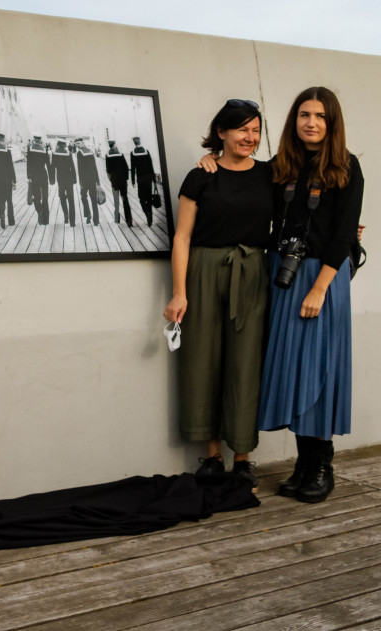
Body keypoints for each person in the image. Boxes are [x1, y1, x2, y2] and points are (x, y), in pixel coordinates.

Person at [256, 87, 364, 503]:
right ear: (294, 120)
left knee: (319, 369)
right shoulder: (280, 166)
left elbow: (343, 234)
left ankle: (321, 466)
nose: (311, 123)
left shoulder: (346, 167)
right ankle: (303, 464)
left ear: (332, 122)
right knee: (293, 369)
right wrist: (210, 161)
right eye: (304, 114)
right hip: (285, 276)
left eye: (320, 116)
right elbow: (244, 187)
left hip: (323, 277)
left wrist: (320, 288)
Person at [163, 99, 273, 491]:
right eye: (242, 129)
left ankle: (242, 458)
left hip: (252, 272)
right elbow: (182, 237)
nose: (250, 137)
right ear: (222, 132)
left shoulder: (271, 175)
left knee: (246, 362)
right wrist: (179, 293)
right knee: (202, 359)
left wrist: (346, 230)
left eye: (256, 130)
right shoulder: (200, 177)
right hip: (204, 270)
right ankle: (212, 457)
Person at [130, 136, 157, 227]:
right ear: (140, 142)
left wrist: (133, 181)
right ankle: (150, 220)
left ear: (134, 143)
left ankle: (146, 213)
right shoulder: (146, 151)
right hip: (148, 178)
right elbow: (151, 166)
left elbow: (133, 168)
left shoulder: (133, 153)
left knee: (142, 199)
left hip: (140, 179)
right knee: (149, 198)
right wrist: (154, 179)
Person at [26, 133, 52, 225]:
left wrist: (28, 176)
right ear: (40, 140)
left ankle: (39, 210)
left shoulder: (30, 149)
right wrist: (51, 178)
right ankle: (46, 220)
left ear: (34, 140)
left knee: (36, 197)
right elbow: (48, 165)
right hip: (43, 175)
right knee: (45, 197)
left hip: (34, 176)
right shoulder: (44, 150)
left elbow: (28, 164)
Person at [105, 140, 132, 226]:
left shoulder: (107, 155)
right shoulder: (120, 154)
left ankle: (117, 218)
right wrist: (126, 178)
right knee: (125, 198)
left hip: (114, 181)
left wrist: (111, 180)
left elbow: (108, 169)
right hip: (122, 180)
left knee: (116, 199)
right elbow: (126, 167)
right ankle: (129, 219)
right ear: (114, 145)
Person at [75, 137, 101, 225]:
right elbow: (94, 167)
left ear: (83, 143)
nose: (77, 145)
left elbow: (80, 168)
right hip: (93, 179)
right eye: (76, 144)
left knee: (83, 197)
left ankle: (88, 214)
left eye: (78, 143)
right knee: (94, 199)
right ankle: (96, 220)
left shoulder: (79, 153)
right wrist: (98, 181)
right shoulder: (90, 151)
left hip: (84, 180)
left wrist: (80, 182)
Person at [51, 139, 77, 227]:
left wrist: (52, 180)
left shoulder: (54, 154)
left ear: (58, 144)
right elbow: (72, 166)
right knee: (71, 199)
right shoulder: (68, 153)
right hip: (69, 178)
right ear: (64, 145)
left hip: (60, 179)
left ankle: (66, 214)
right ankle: (72, 222)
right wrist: (74, 179)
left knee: (62, 197)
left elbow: (52, 167)